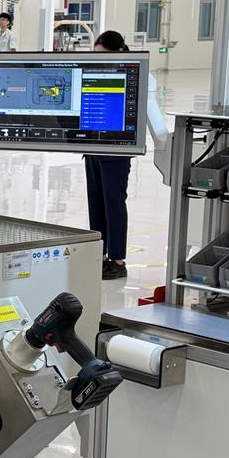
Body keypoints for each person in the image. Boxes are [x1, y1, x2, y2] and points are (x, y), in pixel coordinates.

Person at [86, 30, 131, 281]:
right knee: (96, 204)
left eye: (101, 54)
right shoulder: (94, 74)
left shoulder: (130, 72)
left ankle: (118, 259)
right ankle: (100, 255)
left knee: (114, 204)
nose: (97, 58)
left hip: (115, 152)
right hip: (93, 149)